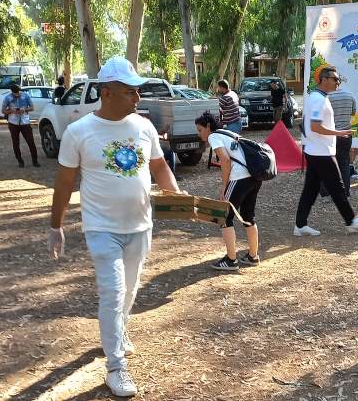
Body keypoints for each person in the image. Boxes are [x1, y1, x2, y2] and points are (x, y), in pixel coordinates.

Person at [48, 56, 182, 397]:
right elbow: (64, 183)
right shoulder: (79, 132)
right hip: (101, 227)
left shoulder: (143, 127)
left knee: (131, 289)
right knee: (113, 291)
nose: (137, 98)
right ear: (106, 93)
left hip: (140, 225)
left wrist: (177, 196)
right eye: (129, 92)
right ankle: (116, 366)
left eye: (138, 91)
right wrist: (56, 225)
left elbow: (159, 167)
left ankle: (117, 331)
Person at [294, 66, 358, 236]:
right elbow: (315, 126)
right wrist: (340, 133)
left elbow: (307, 125)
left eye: (338, 79)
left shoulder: (316, 97)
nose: (338, 82)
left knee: (311, 189)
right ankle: (351, 221)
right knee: (337, 187)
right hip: (321, 151)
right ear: (324, 80)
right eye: (335, 79)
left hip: (315, 149)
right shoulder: (318, 99)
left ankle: (300, 225)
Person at [195, 111, 262, 271]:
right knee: (248, 216)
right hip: (254, 177)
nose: (199, 134)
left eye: (200, 130)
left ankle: (231, 260)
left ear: (208, 127)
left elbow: (225, 160)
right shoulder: (228, 132)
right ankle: (253, 256)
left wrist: (224, 186)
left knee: (224, 217)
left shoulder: (214, 136)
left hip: (239, 178)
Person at [327, 88, 357, 197]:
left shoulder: (328, 97)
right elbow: (353, 112)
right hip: (346, 134)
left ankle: (329, 191)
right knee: (344, 163)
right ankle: (345, 191)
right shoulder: (350, 94)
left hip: (332, 134)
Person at [1, 84, 40, 167]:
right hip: (13, 123)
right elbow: (3, 110)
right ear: (12, 92)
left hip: (25, 122)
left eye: (18, 92)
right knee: (15, 143)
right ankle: (20, 161)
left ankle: (35, 160)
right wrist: (11, 111)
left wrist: (24, 109)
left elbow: (32, 107)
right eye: (15, 93)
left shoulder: (26, 96)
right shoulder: (7, 98)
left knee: (31, 142)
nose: (17, 95)